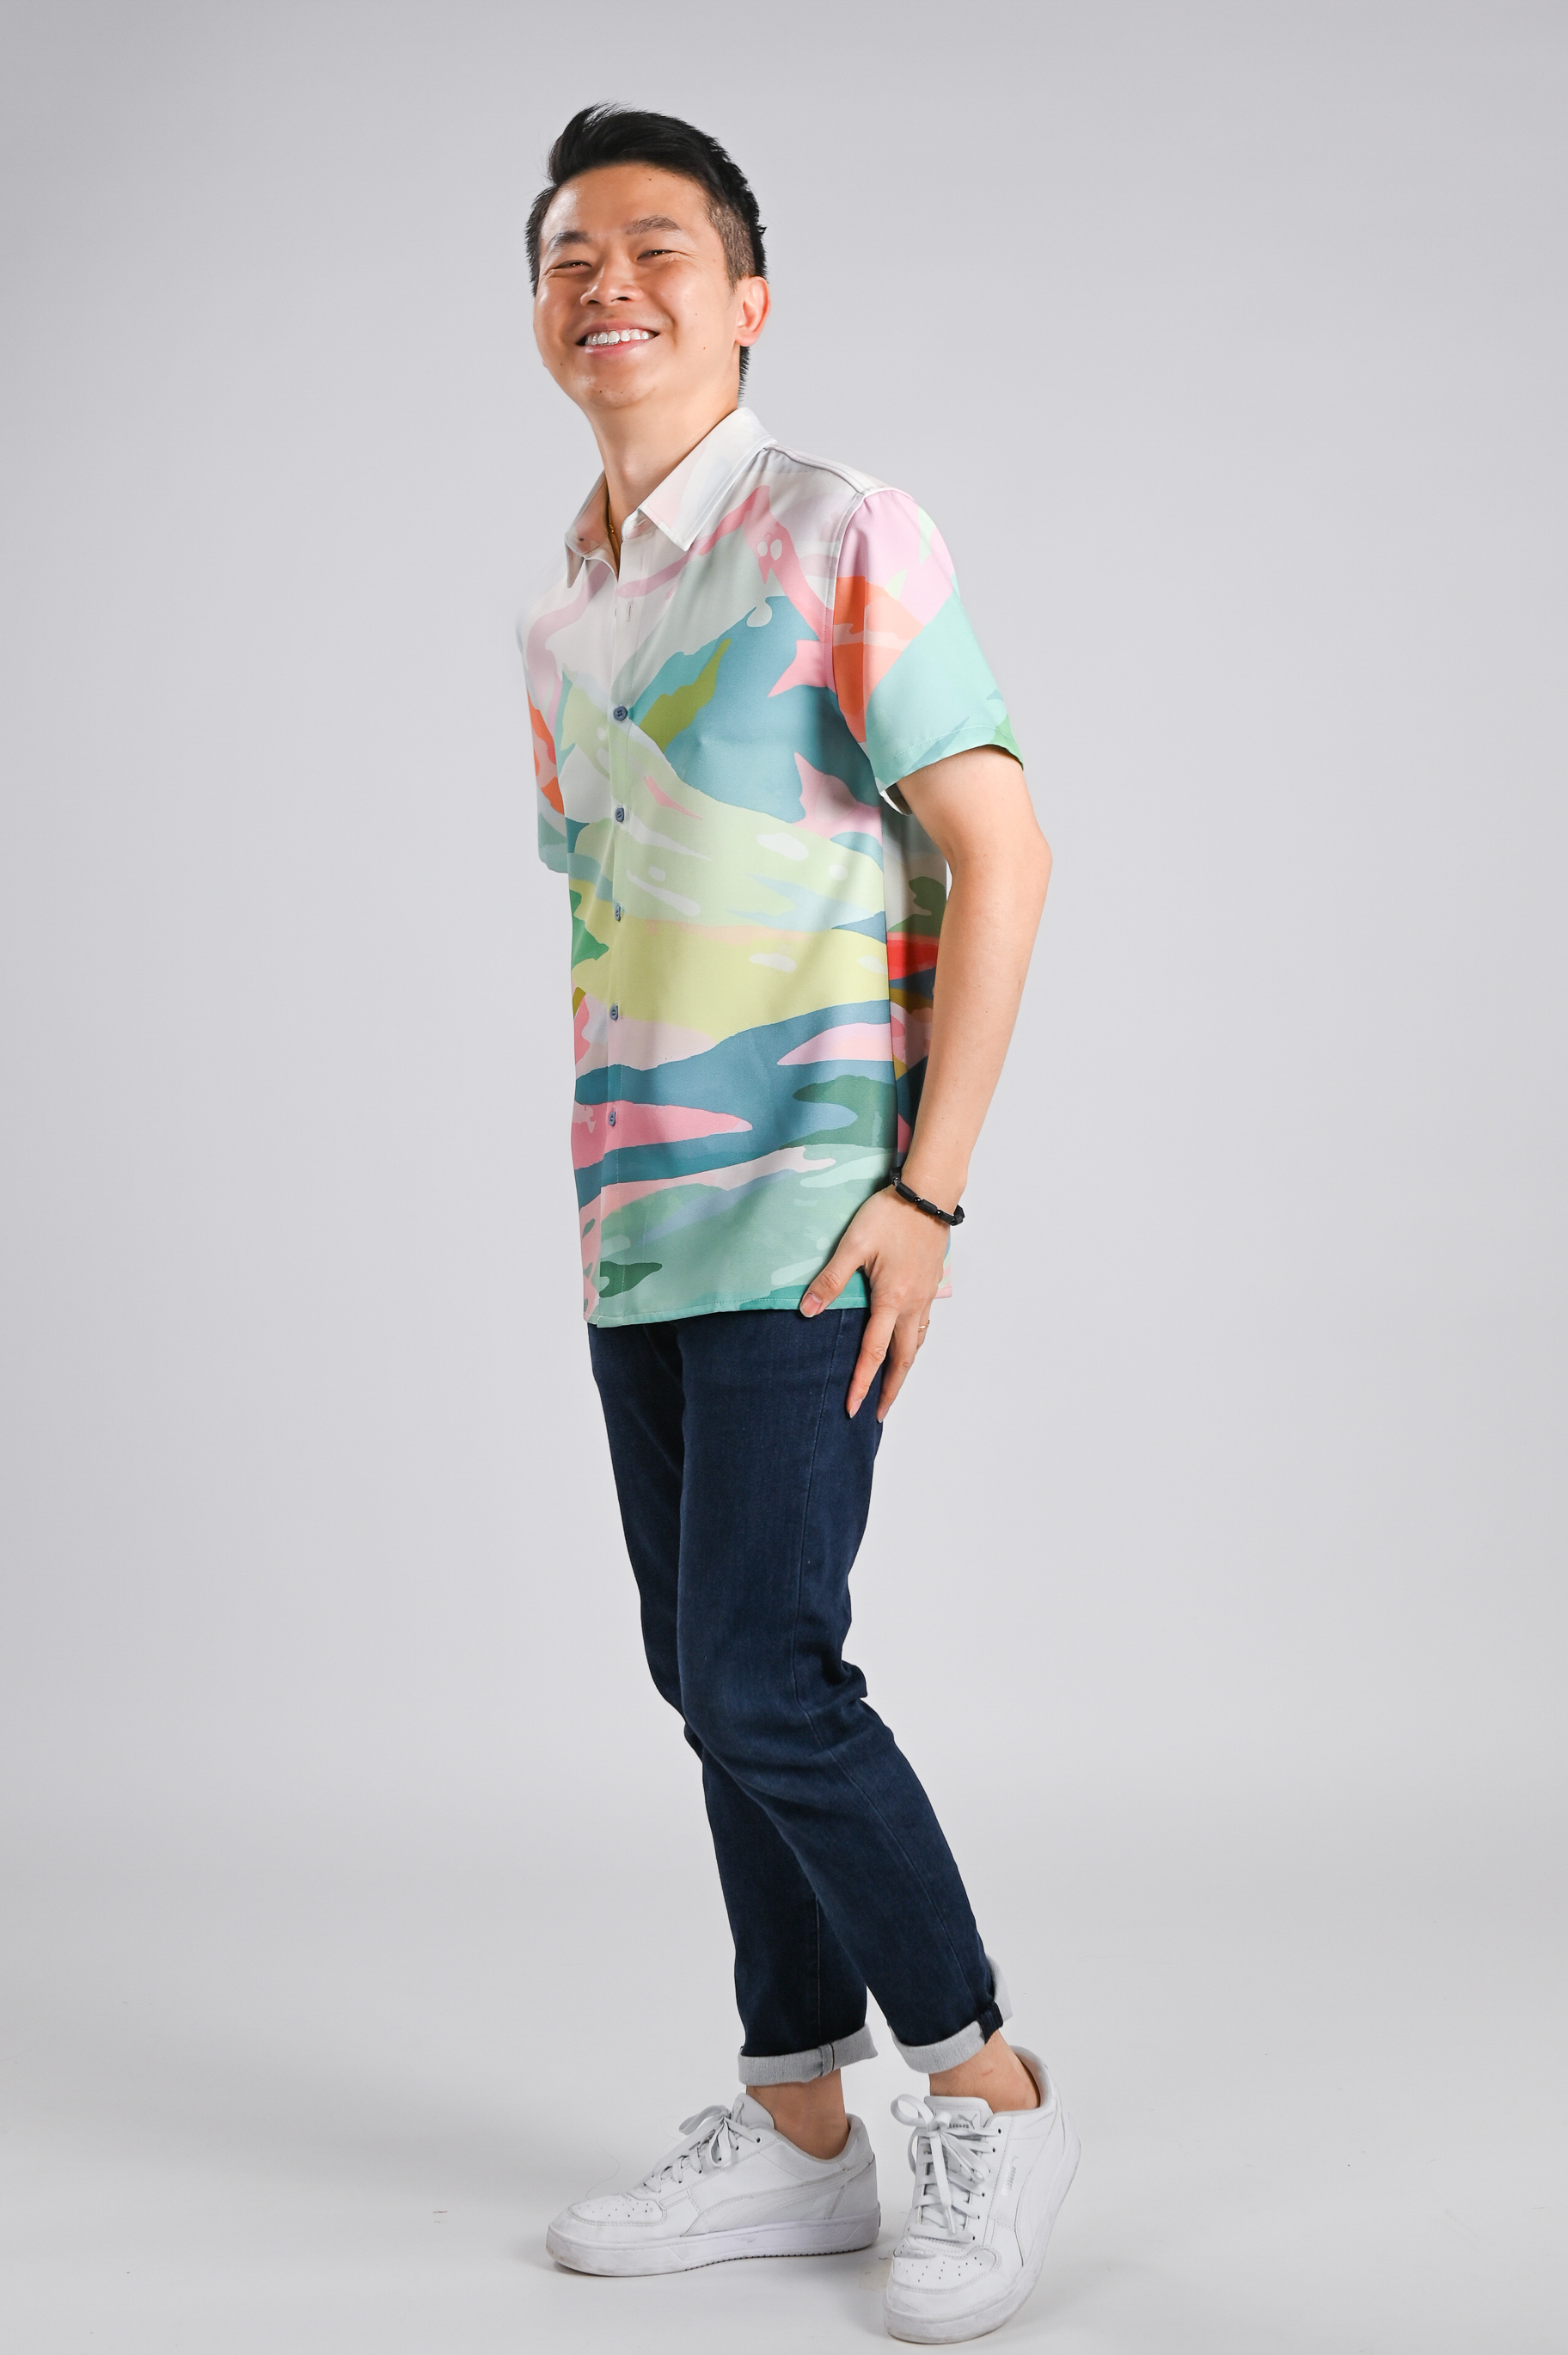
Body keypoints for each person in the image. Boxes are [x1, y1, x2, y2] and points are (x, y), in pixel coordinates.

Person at [518, 103, 1075, 2344]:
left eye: (658, 244)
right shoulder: (572, 605)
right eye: (569, 253)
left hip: (814, 1219)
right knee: (707, 1678)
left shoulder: (841, 530)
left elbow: (1003, 846)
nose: (608, 280)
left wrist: (928, 1190)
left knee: (768, 1671)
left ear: (746, 300)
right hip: (637, 1229)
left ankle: (988, 2090)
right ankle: (798, 2122)